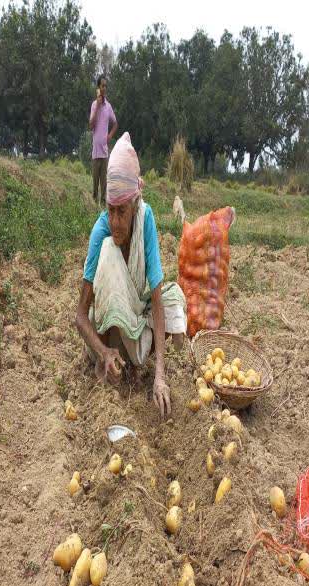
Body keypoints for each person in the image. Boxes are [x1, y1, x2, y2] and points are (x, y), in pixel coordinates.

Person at [75, 134, 188, 417]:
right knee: (109, 250)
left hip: (136, 313)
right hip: (108, 334)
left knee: (174, 299)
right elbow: (79, 316)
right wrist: (103, 351)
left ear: (135, 205)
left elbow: (157, 296)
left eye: (121, 212)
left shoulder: (145, 219)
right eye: (110, 211)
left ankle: (139, 364)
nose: (115, 221)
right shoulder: (102, 231)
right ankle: (116, 359)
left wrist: (160, 375)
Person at [88, 75, 118, 205]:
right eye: (102, 86)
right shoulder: (94, 105)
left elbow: (115, 123)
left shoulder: (109, 107)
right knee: (95, 184)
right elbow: (91, 125)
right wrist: (98, 107)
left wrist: (110, 135)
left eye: (106, 86)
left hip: (105, 152)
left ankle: (103, 206)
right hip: (95, 152)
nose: (104, 88)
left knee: (104, 183)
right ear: (98, 88)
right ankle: (93, 205)